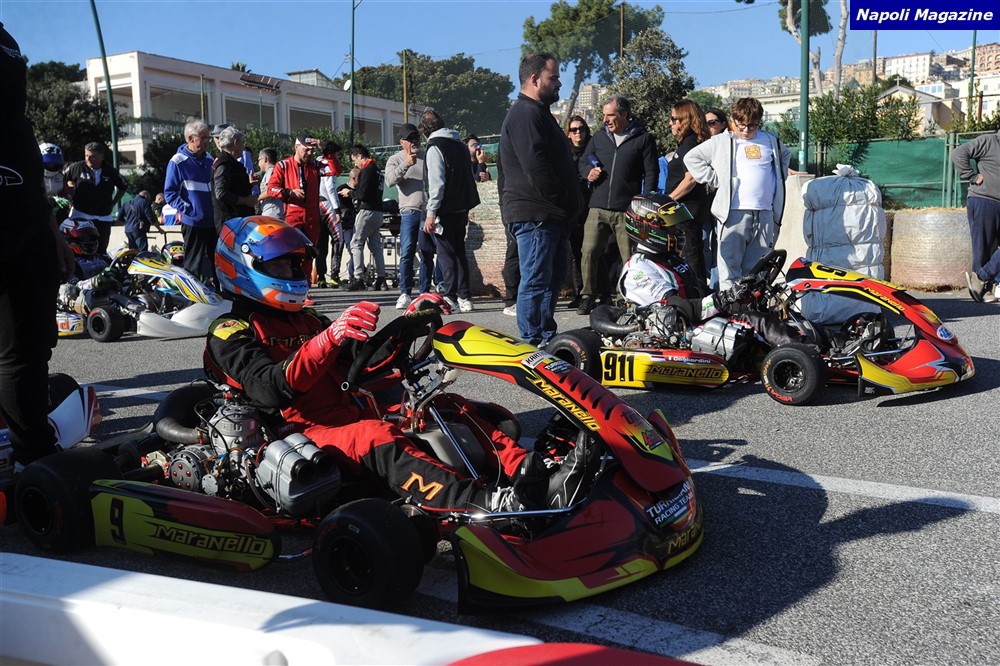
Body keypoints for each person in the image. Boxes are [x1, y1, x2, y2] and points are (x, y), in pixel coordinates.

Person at [206, 216, 589, 512]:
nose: (292, 275)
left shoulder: (307, 320)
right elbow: (268, 388)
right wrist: (327, 340)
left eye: (294, 266)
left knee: (445, 406)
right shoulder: (230, 330)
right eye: (280, 268)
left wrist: (407, 322)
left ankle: (535, 474)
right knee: (375, 436)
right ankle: (484, 503)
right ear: (243, 267)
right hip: (299, 432)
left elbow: (365, 362)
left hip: (350, 410)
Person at [0, 21, 76, 468]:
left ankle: (33, 455)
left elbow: (28, 169)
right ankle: (32, 456)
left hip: (27, 221)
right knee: (15, 353)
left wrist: (52, 231)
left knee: (31, 348)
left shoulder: (7, 38)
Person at [614, 193, 795, 349]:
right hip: (683, 331)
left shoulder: (672, 260)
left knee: (770, 314)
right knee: (758, 322)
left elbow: (701, 294)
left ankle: (806, 346)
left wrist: (741, 297)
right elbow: (680, 308)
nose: (678, 232)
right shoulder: (638, 271)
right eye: (671, 227)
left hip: (701, 322)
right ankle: (802, 355)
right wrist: (724, 298)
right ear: (648, 228)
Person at [497, 53, 583, 347]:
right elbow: (536, 166)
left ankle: (546, 338)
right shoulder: (525, 114)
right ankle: (531, 343)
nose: (559, 83)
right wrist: (562, 201)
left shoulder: (538, 113)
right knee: (535, 280)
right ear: (535, 79)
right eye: (553, 77)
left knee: (551, 280)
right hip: (536, 216)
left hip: (550, 216)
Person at [684, 97, 791, 290]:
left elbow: (785, 156)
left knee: (758, 268)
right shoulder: (721, 141)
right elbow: (692, 158)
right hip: (732, 212)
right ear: (733, 120)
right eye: (741, 125)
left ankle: (752, 305)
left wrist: (778, 178)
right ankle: (730, 305)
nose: (746, 130)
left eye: (752, 126)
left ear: (759, 122)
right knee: (730, 266)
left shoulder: (771, 140)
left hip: (765, 212)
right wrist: (714, 179)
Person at [577, 95, 658, 315]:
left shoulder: (643, 139)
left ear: (624, 114)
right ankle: (587, 296)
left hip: (627, 209)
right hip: (597, 207)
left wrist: (645, 203)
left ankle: (626, 299)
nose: (605, 120)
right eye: (604, 115)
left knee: (629, 258)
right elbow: (583, 161)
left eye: (610, 115)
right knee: (588, 252)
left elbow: (651, 172)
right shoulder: (598, 138)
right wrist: (588, 172)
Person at [421, 110, 480, 313]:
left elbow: (436, 184)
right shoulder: (460, 145)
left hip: (444, 209)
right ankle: (465, 297)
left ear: (425, 130)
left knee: (446, 254)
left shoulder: (434, 147)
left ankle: (450, 296)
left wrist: (430, 213)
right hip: (461, 207)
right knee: (459, 251)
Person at [662, 99, 711, 286]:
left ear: (686, 120)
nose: (670, 123)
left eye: (674, 119)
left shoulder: (690, 144)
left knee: (689, 258)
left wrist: (667, 201)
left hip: (685, 210)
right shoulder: (686, 144)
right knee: (688, 256)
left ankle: (697, 296)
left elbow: (690, 179)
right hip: (683, 210)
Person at [950, 128, 1000, 304]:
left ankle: (982, 277)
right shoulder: (989, 141)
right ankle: (982, 289)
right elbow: (958, 153)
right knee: (982, 247)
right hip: (983, 199)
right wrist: (970, 176)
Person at [164, 119, 216, 285]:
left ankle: (217, 294)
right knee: (194, 264)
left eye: (208, 137)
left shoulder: (210, 159)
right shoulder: (177, 162)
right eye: (204, 137)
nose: (208, 141)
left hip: (212, 222)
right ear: (191, 139)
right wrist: (190, 210)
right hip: (193, 223)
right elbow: (170, 193)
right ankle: (191, 297)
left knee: (215, 263)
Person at [385, 123, 432, 309]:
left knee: (426, 253)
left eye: (416, 137)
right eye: (410, 138)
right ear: (402, 142)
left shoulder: (427, 156)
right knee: (407, 252)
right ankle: (405, 293)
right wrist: (406, 163)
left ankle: (424, 293)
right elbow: (389, 180)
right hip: (409, 211)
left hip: (427, 211)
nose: (414, 141)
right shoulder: (395, 159)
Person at [266, 136, 322, 281]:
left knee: (309, 253)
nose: (309, 153)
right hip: (292, 215)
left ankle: (305, 288)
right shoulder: (283, 165)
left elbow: (335, 169)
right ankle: (289, 284)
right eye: (306, 150)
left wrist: (324, 148)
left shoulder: (316, 165)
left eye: (312, 150)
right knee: (290, 253)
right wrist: (289, 192)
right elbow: (271, 188)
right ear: (296, 147)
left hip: (312, 217)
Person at [63, 141, 127, 256]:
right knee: (79, 248)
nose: (88, 159)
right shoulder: (76, 167)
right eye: (86, 155)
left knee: (101, 249)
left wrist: (113, 203)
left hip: (103, 217)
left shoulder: (110, 171)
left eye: (92, 156)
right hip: (81, 215)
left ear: (101, 157)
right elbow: (63, 180)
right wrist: (69, 197)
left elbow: (123, 186)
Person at [345, 144, 385, 292]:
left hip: (367, 211)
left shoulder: (367, 170)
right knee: (376, 247)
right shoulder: (377, 170)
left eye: (354, 159)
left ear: (359, 156)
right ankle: (381, 278)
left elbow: (362, 194)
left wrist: (349, 193)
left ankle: (358, 278)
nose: (355, 163)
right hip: (378, 211)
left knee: (356, 243)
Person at [565, 115, 593, 310]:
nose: (578, 133)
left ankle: (596, 292)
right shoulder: (564, 153)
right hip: (573, 207)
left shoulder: (593, 150)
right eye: (573, 130)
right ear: (568, 133)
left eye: (581, 128)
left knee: (593, 251)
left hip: (591, 204)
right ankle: (579, 292)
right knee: (575, 252)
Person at [211, 126, 257, 233]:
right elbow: (221, 193)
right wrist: (246, 200)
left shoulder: (232, 163)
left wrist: (248, 184)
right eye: (242, 142)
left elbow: (233, 187)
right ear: (236, 143)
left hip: (236, 221)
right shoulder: (223, 165)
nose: (244, 146)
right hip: (230, 223)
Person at [702, 107, 728, 287]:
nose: (708, 127)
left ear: (723, 124)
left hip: (722, 201)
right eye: (705, 123)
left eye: (712, 123)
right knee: (703, 242)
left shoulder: (728, 144)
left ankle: (716, 286)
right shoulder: (701, 144)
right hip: (703, 202)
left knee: (720, 244)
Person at [315, 141, 343, 289]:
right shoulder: (328, 163)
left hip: (316, 204)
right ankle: (334, 276)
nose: (339, 157)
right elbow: (330, 188)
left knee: (321, 242)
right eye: (338, 154)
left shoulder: (317, 161)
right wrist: (337, 210)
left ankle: (320, 277)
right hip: (327, 205)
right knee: (338, 239)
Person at [336, 168, 359, 285]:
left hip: (359, 224)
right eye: (360, 178)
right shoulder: (341, 189)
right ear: (353, 178)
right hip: (347, 225)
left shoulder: (361, 190)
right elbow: (341, 208)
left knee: (356, 250)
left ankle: (355, 275)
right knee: (352, 250)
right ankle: (352, 276)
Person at [256, 148, 284, 220]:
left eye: (259, 160)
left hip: (272, 213)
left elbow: (270, 191)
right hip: (273, 212)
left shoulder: (271, 170)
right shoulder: (274, 171)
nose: (258, 164)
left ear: (265, 159)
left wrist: (256, 199)